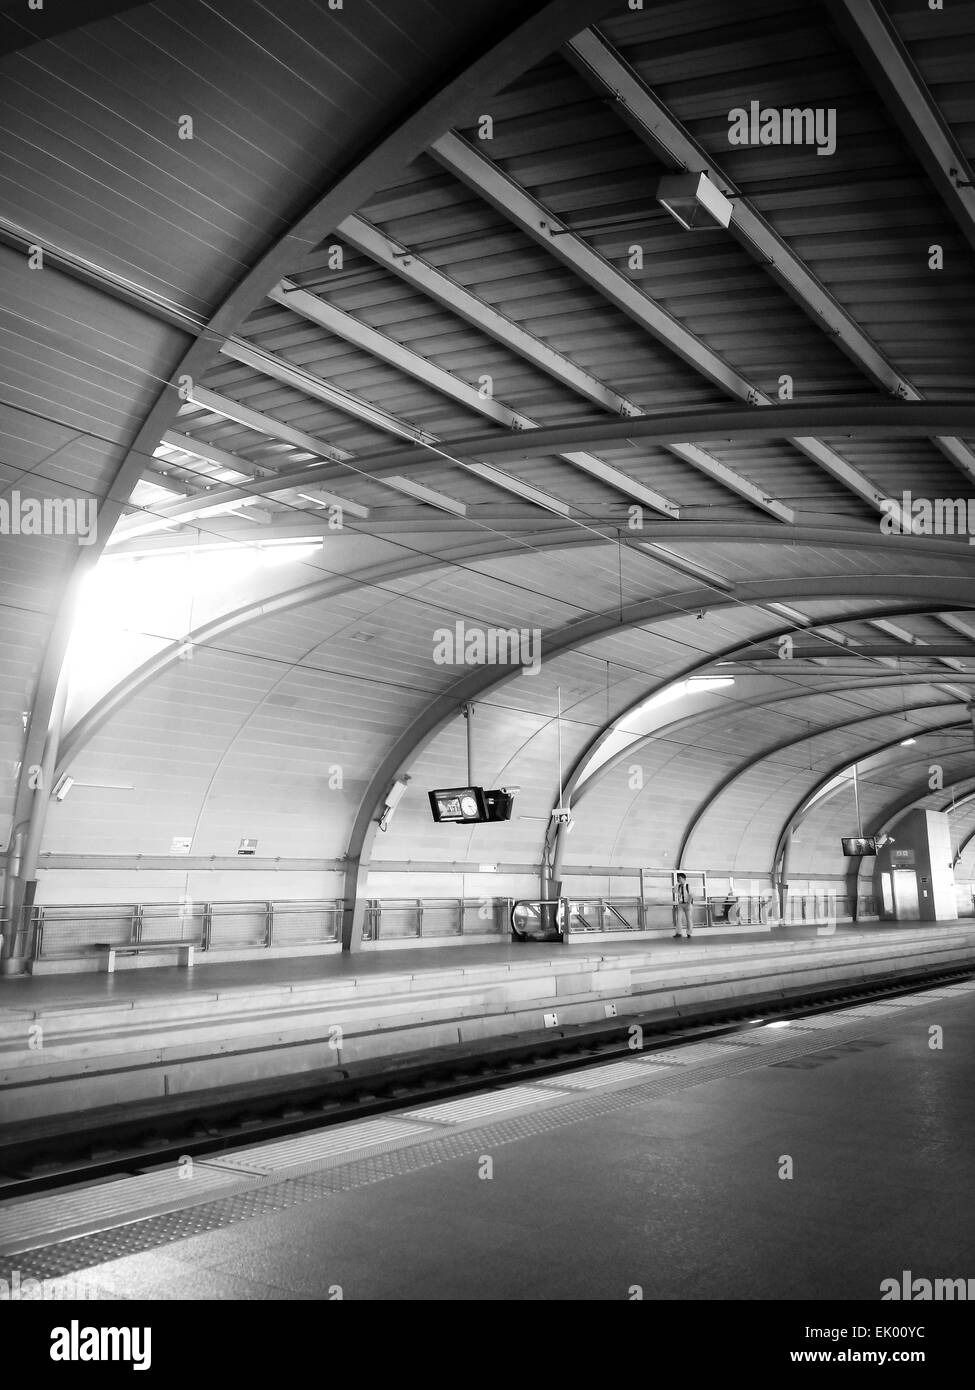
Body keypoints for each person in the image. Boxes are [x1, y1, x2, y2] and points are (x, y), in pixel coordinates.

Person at [673, 873, 693, 938]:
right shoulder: (678, 886)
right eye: (678, 878)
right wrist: (677, 885)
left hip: (688, 904)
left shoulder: (688, 885)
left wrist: (688, 904)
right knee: (678, 919)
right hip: (680, 904)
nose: (678, 879)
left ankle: (689, 933)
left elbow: (691, 895)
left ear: (684, 879)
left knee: (688, 919)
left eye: (680, 878)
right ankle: (679, 933)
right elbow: (674, 891)